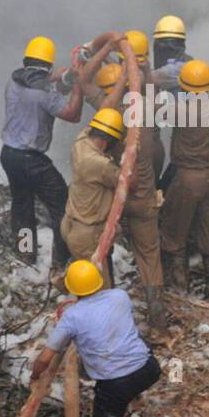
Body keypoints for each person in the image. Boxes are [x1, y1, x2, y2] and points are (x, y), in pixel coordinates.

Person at [78, 32, 168, 327]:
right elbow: (151, 89)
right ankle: (158, 321)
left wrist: (104, 47)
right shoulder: (145, 108)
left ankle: (111, 316)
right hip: (142, 198)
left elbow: (83, 80)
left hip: (111, 199)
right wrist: (140, 68)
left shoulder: (104, 113)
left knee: (102, 251)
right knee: (149, 257)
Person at [30, 260, 161, 417]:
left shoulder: (71, 317)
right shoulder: (120, 296)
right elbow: (100, 314)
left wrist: (35, 375)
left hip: (116, 384)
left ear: (72, 289)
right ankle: (131, 401)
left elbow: (45, 358)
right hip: (149, 369)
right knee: (127, 340)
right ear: (98, 282)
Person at [159, 59, 209, 297]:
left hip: (187, 179)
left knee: (174, 233)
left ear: (184, 87)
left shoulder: (177, 110)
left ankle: (179, 289)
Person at [0, 36, 83, 271]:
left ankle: (26, 254)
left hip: (8, 156)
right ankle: (61, 260)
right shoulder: (44, 93)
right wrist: (78, 85)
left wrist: (57, 77)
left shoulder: (14, 82)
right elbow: (72, 114)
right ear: (48, 65)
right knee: (62, 206)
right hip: (31, 161)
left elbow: (36, 82)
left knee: (22, 204)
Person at [60, 107, 125, 284]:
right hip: (88, 237)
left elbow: (98, 119)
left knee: (84, 279)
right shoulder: (99, 164)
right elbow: (129, 183)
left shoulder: (81, 141)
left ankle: (66, 284)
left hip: (71, 224)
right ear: (106, 142)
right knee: (99, 290)